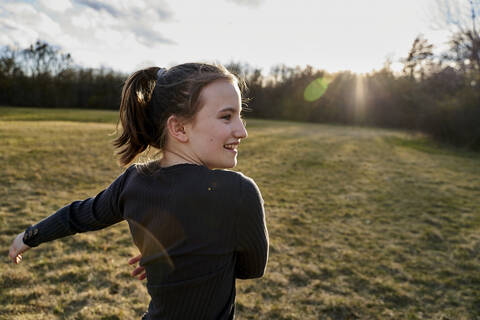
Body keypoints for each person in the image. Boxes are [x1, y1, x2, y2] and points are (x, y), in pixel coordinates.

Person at [8, 63, 269, 320]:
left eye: (239, 115)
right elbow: (252, 268)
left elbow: (79, 215)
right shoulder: (239, 192)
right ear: (178, 128)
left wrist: (29, 236)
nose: (242, 131)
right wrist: (191, 260)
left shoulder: (134, 181)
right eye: (226, 116)